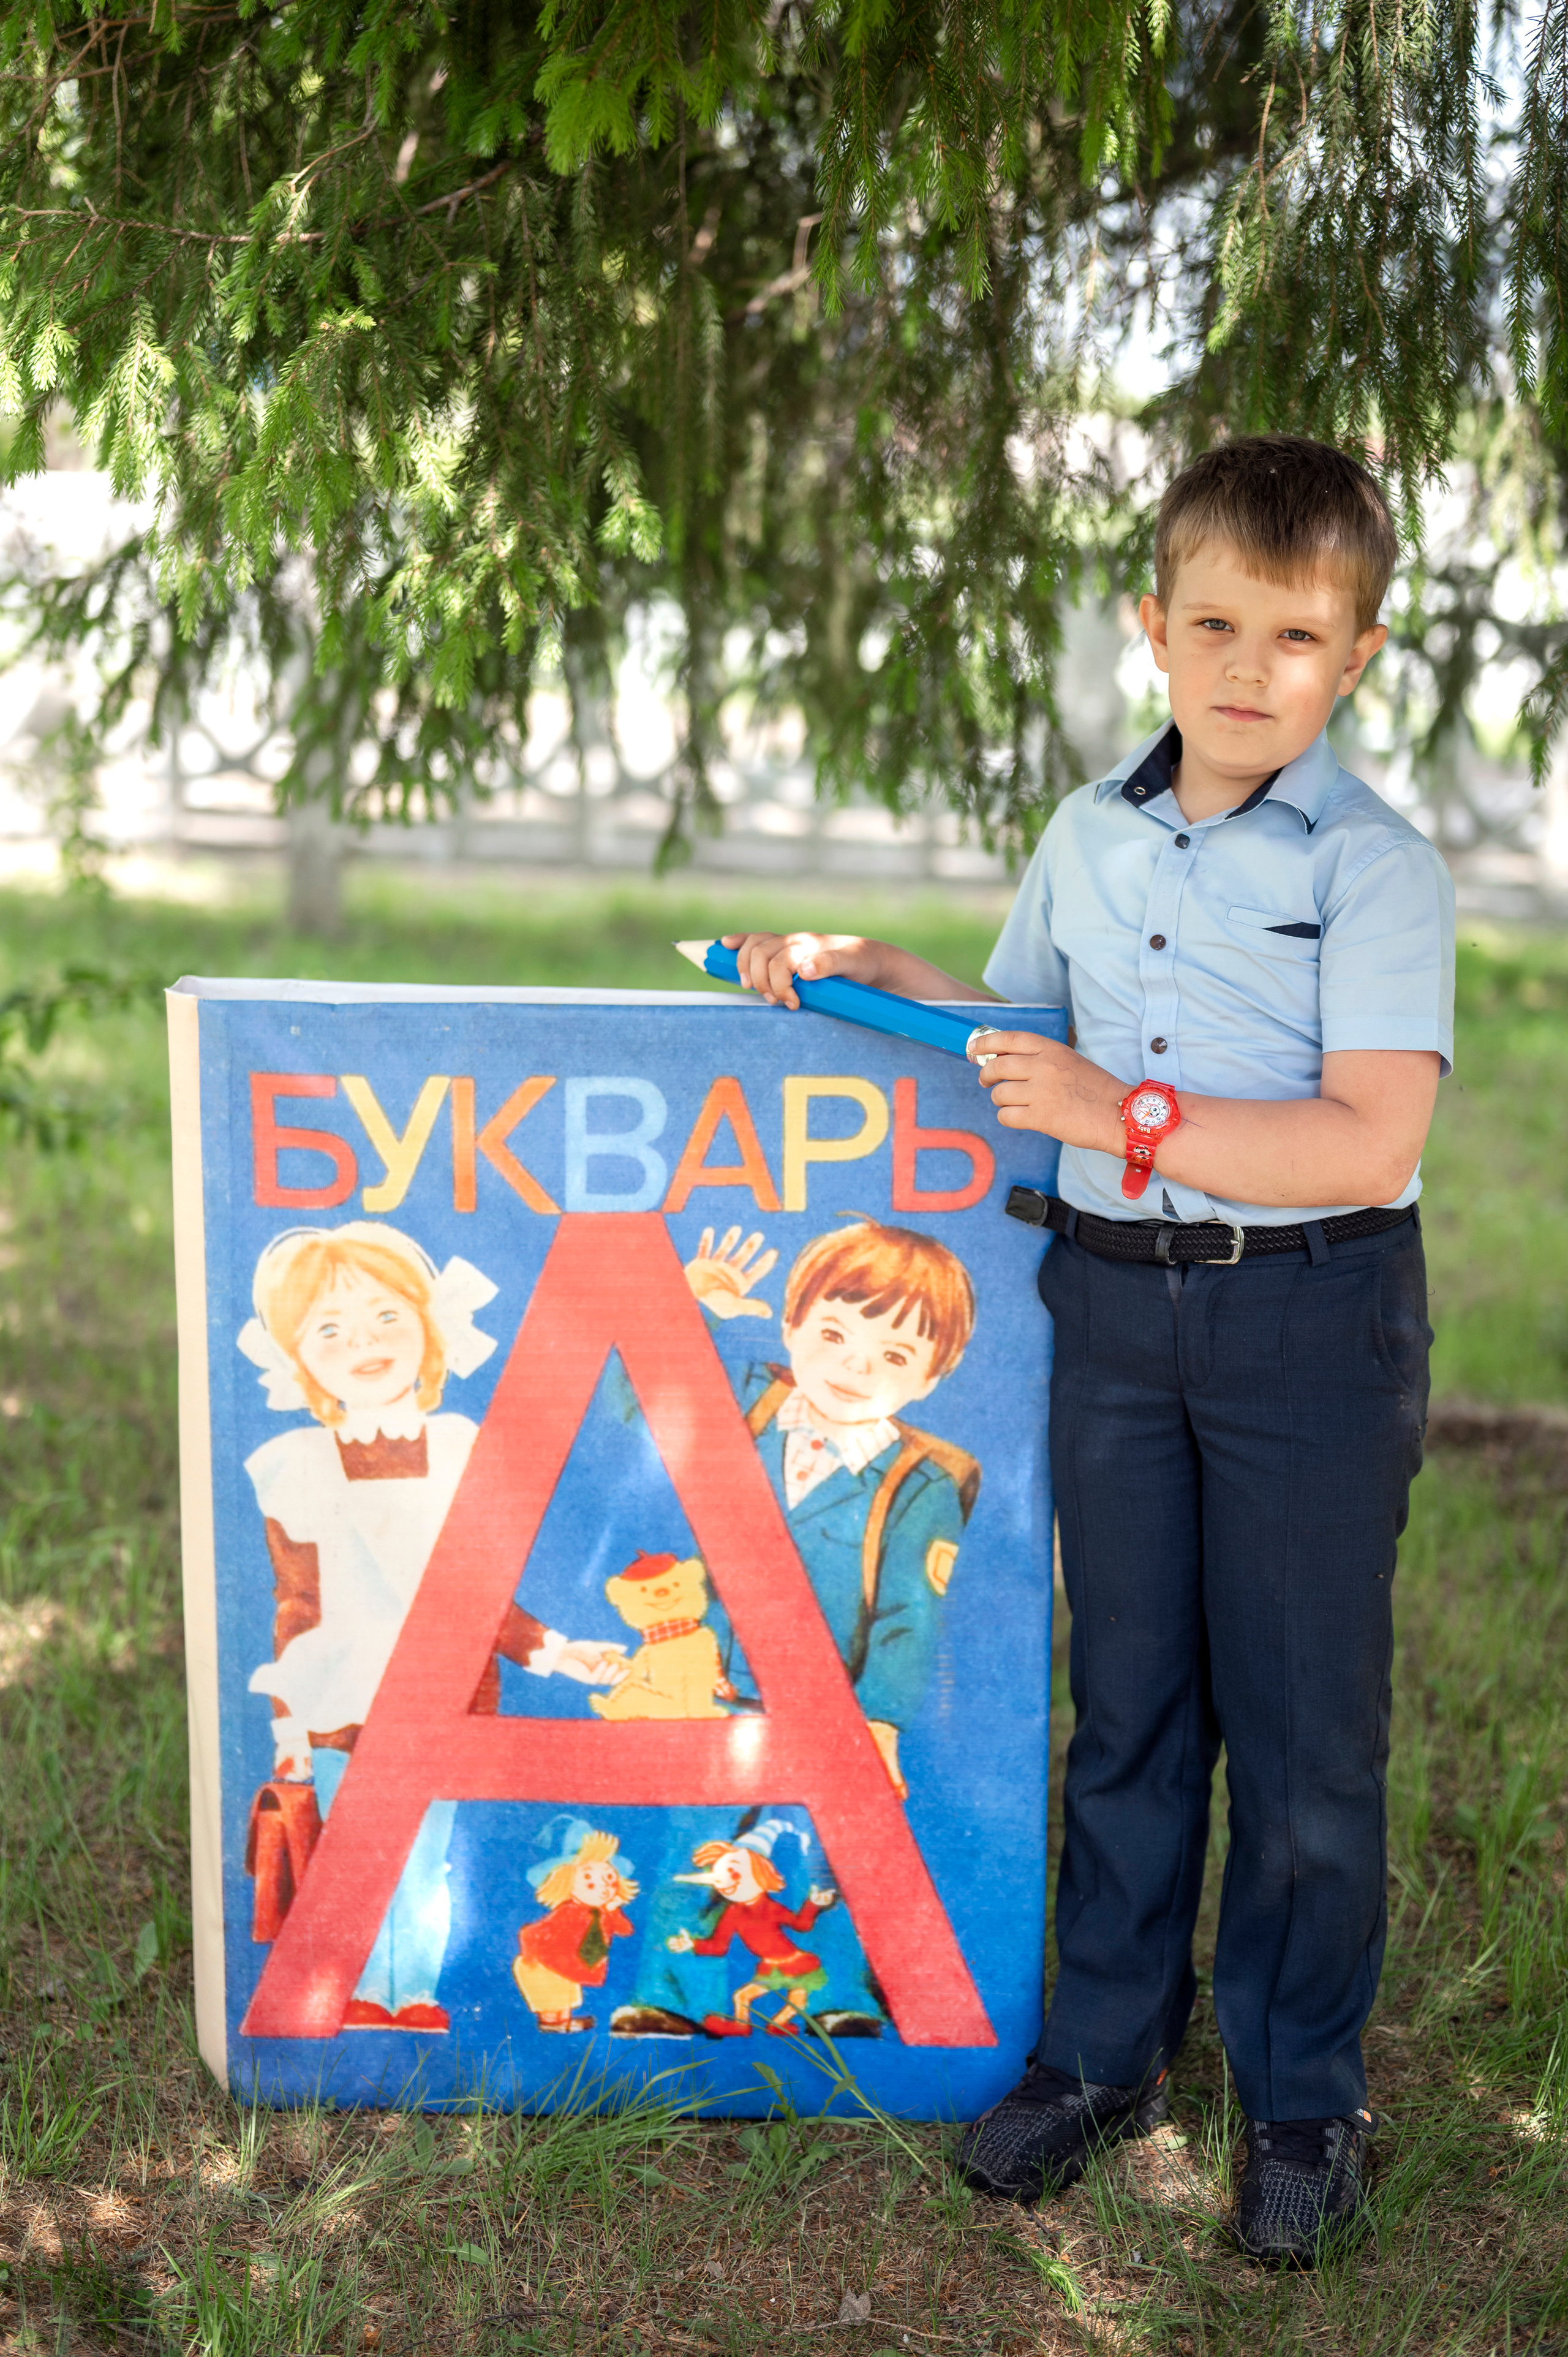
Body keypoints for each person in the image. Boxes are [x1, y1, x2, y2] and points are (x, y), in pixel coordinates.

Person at [718, 436, 1453, 2265]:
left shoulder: (1376, 866)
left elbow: (1366, 1138)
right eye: (1215, 621)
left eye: (1296, 636)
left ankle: (1299, 2099)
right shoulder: (1091, 830)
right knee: (1129, 1703)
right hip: (1114, 1309)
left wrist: (1121, 1110)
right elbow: (1017, 1032)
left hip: (1308, 1315)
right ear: (1155, 625)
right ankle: (1108, 2051)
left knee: (1301, 1734)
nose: (1247, 667)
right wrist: (860, 955)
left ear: (1353, 656)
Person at [239, 1221, 623, 2031]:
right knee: (355, 1854)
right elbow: (297, 1601)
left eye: (386, 1318)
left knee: (425, 1859)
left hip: (444, 1691)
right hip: (344, 1695)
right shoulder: (297, 1462)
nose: (364, 1344)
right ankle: (359, 1994)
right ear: (299, 1356)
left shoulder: (460, 1449)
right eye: (331, 1330)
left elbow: (475, 1589)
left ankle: (412, 1992)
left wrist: (552, 1650)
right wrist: (290, 1724)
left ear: (428, 1324)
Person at [611, 1218, 978, 2038]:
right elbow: (639, 1399)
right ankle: (673, 1994)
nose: (857, 1367)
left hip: (837, 1706)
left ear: (929, 1377)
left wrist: (881, 1716)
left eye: (894, 1356)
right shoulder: (747, 1404)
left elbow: (910, 1612)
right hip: (723, 1690)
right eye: (838, 1334)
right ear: (791, 1326)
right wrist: (688, 1307)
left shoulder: (918, 1483)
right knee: (698, 1843)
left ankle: (836, 1994)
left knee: (833, 1853)